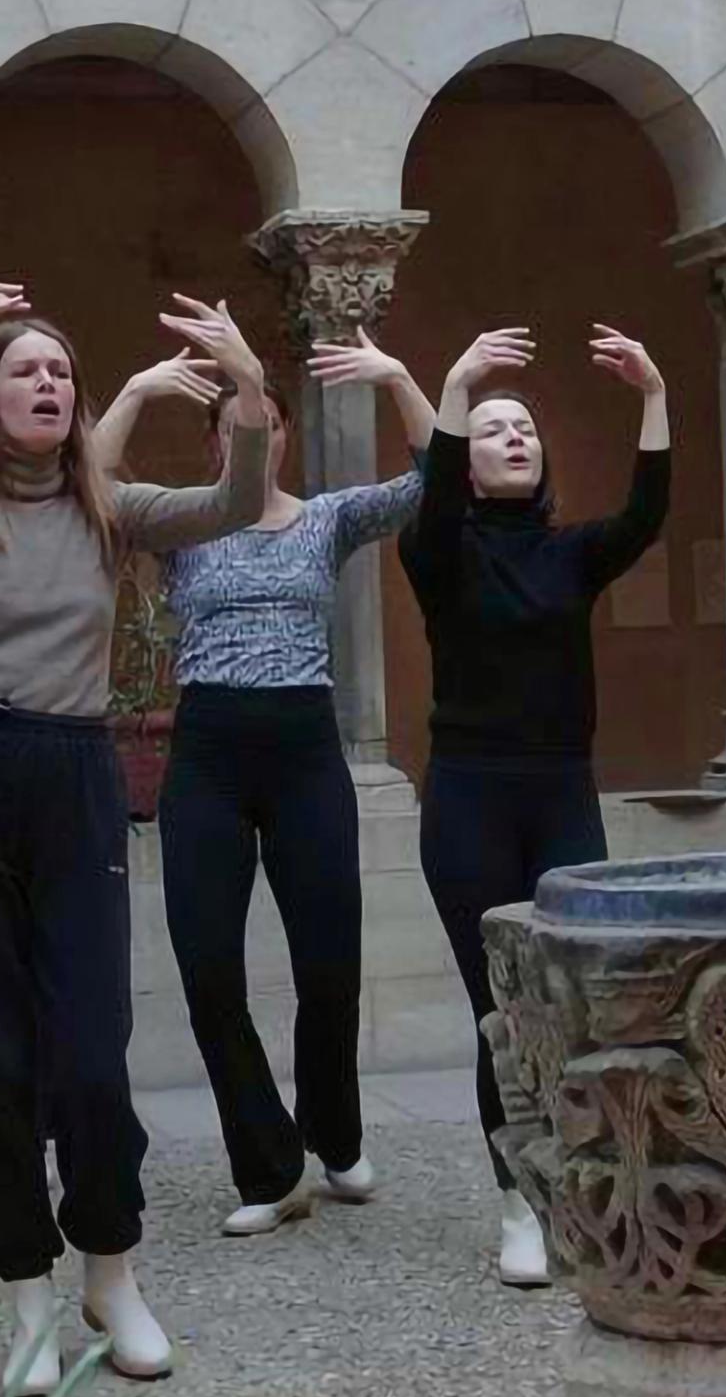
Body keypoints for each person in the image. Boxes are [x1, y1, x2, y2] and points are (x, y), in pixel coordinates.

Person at [0, 280, 274, 1397]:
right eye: (22, 371)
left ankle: (112, 1272)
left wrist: (245, 381)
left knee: (91, 1055)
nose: (46, 382)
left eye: (59, 370)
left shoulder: (113, 511)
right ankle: (29, 1297)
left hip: (74, 773)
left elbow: (239, 503)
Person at [101, 325, 461, 1239]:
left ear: (278, 434)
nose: (246, 435)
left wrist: (399, 373)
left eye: (260, 420)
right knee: (208, 964)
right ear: (217, 441)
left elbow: (436, 481)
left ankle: (334, 1135)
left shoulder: (328, 519)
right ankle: (268, 1163)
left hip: (304, 746)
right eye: (229, 424)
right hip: (210, 749)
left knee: (330, 962)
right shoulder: (182, 521)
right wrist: (138, 391)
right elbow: (94, 495)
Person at [399, 321, 669, 1289]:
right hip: (469, 797)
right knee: (502, 1012)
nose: (512, 436)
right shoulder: (440, 554)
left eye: (523, 427)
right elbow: (428, 510)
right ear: (466, 465)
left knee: (569, 1004)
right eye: (491, 429)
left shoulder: (571, 554)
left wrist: (652, 394)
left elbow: (645, 516)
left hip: (561, 791)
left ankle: (575, 1187)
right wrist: (456, 380)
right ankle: (516, 1202)